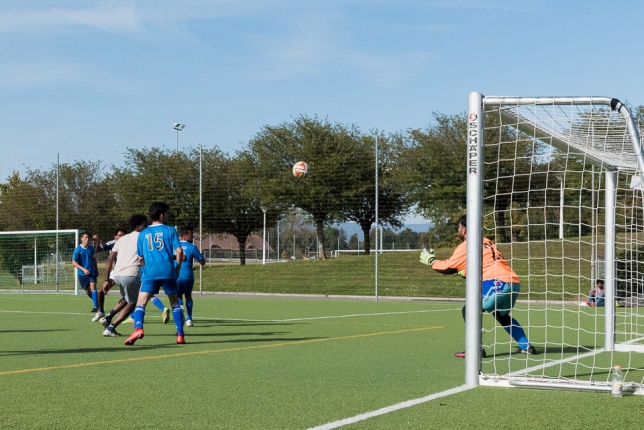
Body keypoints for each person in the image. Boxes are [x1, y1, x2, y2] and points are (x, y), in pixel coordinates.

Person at [419, 215, 537, 357]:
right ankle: (526, 345)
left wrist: (431, 261)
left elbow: (448, 267)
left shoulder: (468, 245)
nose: (458, 230)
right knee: (501, 315)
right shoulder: (487, 242)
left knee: (469, 310)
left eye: (458, 227)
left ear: (464, 228)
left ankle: (475, 349)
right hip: (513, 283)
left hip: (497, 282)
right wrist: (463, 272)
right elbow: (482, 267)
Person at [125, 201, 185, 346]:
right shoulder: (170, 230)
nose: (168, 215)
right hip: (167, 271)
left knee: (141, 302)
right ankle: (180, 335)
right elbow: (179, 251)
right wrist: (177, 268)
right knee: (174, 303)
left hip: (150, 272)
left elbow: (140, 258)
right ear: (162, 215)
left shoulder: (143, 233)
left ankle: (138, 328)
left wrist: (146, 268)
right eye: (168, 213)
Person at [99, 214, 147, 336]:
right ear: (138, 226)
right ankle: (110, 327)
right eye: (144, 224)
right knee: (134, 303)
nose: (146, 226)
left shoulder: (122, 239)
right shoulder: (143, 237)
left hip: (118, 275)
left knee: (127, 299)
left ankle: (108, 317)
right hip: (132, 274)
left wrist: (107, 279)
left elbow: (110, 259)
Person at [92, 228, 126, 322]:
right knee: (101, 292)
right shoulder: (113, 243)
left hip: (127, 271)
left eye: (123, 235)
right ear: (115, 236)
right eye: (119, 235)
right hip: (116, 271)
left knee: (129, 295)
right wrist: (98, 242)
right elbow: (98, 250)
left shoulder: (129, 243)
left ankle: (133, 315)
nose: (121, 237)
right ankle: (101, 311)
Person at [177, 226, 206, 327]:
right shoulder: (192, 247)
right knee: (188, 295)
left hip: (176, 275)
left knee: (178, 296)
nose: (192, 237)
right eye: (191, 235)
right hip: (187, 275)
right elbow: (202, 262)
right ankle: (189, 319)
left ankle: (180, 312)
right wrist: (202, 260)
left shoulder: (174, 246)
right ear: (185, 236)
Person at [72, 231, 100, 315]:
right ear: (82, 239)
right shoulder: (78, 249)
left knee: (93, 286)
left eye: (88, 237)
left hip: (91, 271)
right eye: (85, 237)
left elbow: (94, 259)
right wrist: (83, 269)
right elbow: (74, 263)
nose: (87, 239)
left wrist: (96, 269)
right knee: (87, 291)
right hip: (82, 273)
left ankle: (96, 306)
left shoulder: (91, 249)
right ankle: (97, 301)